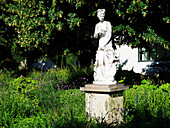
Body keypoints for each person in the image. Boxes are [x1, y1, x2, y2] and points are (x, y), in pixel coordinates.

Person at [93, 9, 116, 84]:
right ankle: (102, 78)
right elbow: (95, 36)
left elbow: (109, 34)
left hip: (107, 45)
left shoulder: (107, 23)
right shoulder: (97, 25)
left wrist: (104, 44)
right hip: (100, 45)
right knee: (100, 62)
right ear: (98, 16)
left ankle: (108, 77)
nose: (101, 16)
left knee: (108, 62)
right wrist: (98, 32)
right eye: (100, 15)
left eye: (102, 15)